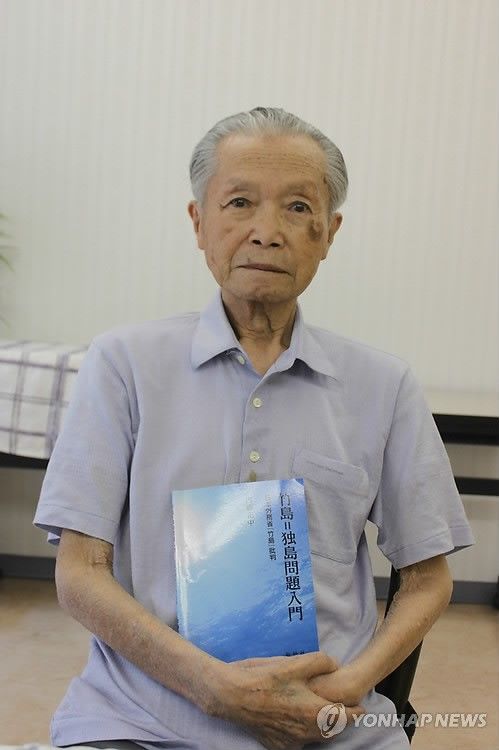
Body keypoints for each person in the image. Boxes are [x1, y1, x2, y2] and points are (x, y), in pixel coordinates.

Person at [34, 106, 474, 750]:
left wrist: (350, 687)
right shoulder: (123, 364)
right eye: (239, 202)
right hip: (142, 719)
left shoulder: (384, 385)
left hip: (329, 721)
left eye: (297, 207)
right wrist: (210, 686)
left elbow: (429, 580)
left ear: (329, 233)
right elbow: (79, 574)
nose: (267, 232)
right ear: (199, 222)